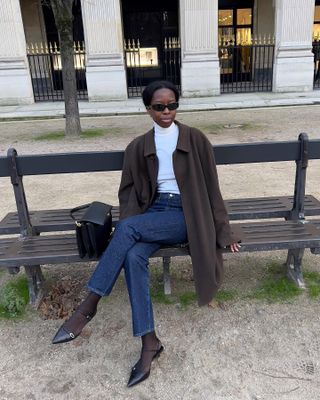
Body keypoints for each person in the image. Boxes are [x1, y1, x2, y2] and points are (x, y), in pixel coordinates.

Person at [52, 80, 240, 387]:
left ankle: (88, 306)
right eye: (159, 107)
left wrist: (224, 232)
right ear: (148, 110)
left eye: (172, 105)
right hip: (151, 215)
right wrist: (135, 226)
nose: (167, 111)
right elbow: (127, 195)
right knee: (132, 253)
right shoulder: (138, 147)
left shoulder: (196, 139)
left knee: (126, 228)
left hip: (187, 215)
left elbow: (213, 191)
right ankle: (149, 342)